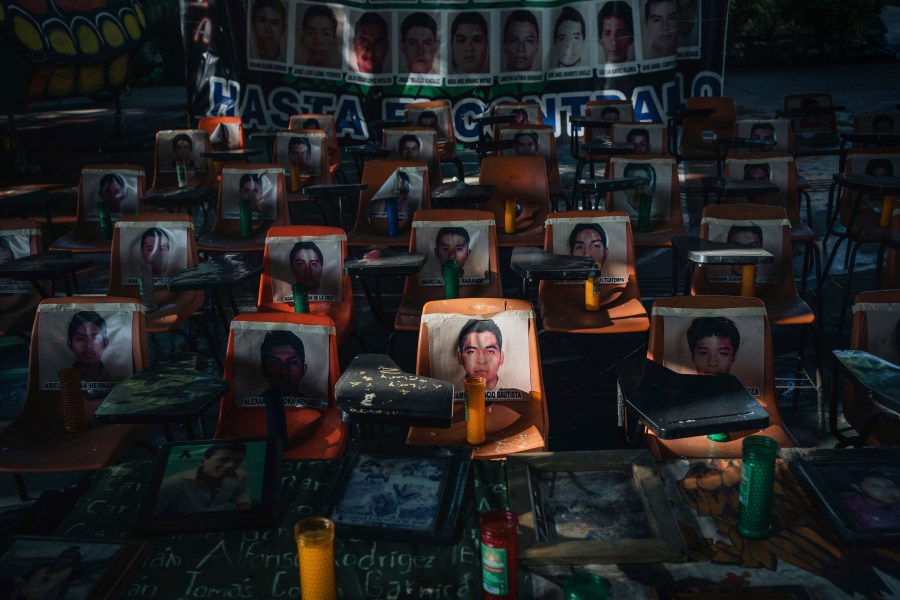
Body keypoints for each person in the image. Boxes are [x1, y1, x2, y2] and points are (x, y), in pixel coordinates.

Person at [155, 443, 252, 515]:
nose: (231, 466)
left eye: (237, 461)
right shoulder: (174, 483)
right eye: (223, 460)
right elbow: (153, 513)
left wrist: (244, 505)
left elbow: (241, 492)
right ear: (203, 461)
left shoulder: (241, 474)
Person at [7, 546, 83, 599]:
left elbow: (64, 588)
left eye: (68, 557)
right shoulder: (42, 567)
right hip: (19, 595)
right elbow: (19, 586)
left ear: (74, 561)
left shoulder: (69, 572)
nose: (63, 558)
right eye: (62, 555)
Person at [258, 330, 310, 400]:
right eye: (275, 363)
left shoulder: (314, 408)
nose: (284, 371)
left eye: (292, 363)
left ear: (304, 369)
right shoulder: (250, 410)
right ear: (263, 370)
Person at [457, 319, 505, 390]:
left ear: (501, 357)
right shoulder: (451, 392)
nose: (481, 361)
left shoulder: (518, 393)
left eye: (490, 352)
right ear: (460, 358)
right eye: (471, 352)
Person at [67, 311, 111, 383]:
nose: (88, 345)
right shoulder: (57, 379)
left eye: (96, 338)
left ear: (105, 343)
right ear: (70, 344)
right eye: (81, 338)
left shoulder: (121, 380)